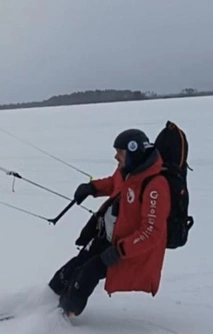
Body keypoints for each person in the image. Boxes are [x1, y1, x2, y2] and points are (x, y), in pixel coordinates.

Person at [48, 128, 171, 317]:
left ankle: (63, 315)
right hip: (108, 237)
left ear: (134, 151)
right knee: (76, 264)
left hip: (127, 249)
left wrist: (120, 250)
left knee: (88, 272)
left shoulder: (156, 185)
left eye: (120, 152)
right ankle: (46, 298)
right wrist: (91, 188)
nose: (116, 157)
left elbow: (152, 232)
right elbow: (114, 183)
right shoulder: (128, 171)